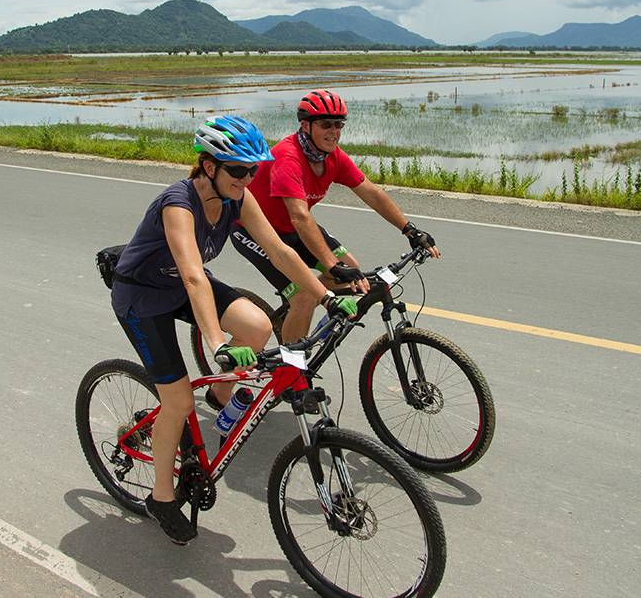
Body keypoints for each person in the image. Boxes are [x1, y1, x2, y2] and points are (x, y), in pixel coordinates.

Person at [111, 115, 356, 546]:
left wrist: (324, 296)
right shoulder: (178, 202)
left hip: (180, 286)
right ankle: (161, 497)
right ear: (210, 167)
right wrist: (217, 344)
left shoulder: (237, 199)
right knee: (177, 401)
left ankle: (220, 396)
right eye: (239, 170)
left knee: (258, 326)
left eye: (253, 171)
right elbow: (193, 276)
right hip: (142, 297)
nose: (247, 179)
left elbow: (280, 252)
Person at [231, 89, 439, 344]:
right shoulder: (288, 157)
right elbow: (299, 216)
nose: (334, 131)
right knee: (305, 296)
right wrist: (330, 265)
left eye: (339, 124)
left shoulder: (333, 157)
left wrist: (410, 229)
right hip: (254, 230)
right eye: (326, 124)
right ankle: (290, 364)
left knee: (349, 267)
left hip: (292, 229)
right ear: (305, 126)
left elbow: (372, 193)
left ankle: (300, 319)